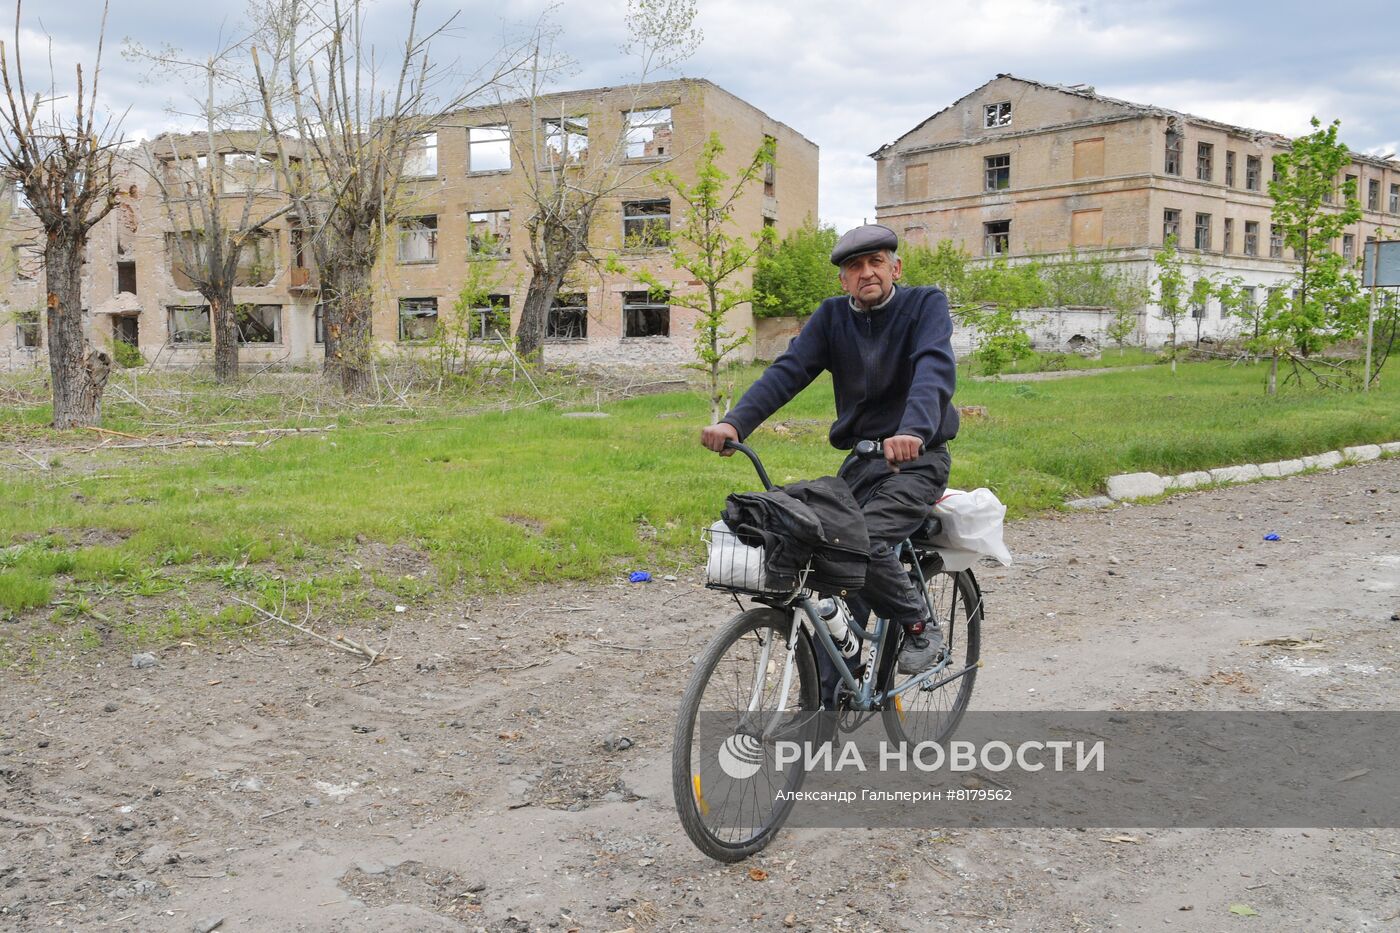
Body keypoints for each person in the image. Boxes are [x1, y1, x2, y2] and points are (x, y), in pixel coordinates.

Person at [701, 223, 959, 674]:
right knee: (826, 554)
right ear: (844, 281)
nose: (867, 273)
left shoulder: (925, 305)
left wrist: (914, 430)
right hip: (860, 463)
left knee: (866, 543)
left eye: (876, 262)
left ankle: (920, 627)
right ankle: (833, 688)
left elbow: (932, 368)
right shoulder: (832, 317)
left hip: (917, 460)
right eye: (855, 267)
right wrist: (734, 422)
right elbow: (789, 371)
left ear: (895, 268)